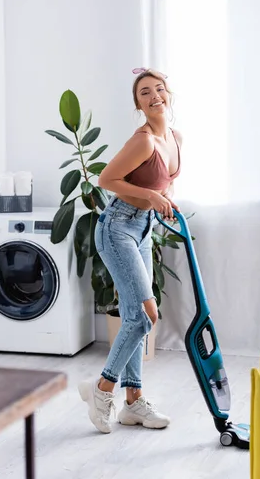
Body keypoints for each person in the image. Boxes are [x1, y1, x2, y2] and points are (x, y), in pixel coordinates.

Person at [78, 67, 182, 433]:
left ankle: (134, 404)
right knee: (143, 316)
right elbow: (106, 179)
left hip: (143, 230)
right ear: (138, 104)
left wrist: (163, 197)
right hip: (117, 228)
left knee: (135, 315)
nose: (154, 96)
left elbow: (161, 181)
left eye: (158, 89)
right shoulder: (143, 141)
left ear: (169, 93)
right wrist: (151, 195)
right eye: (144, 93)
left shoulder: (174, 138)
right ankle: (102, 389)